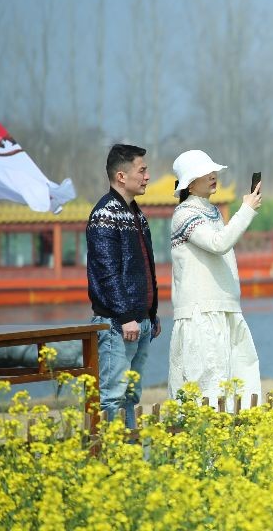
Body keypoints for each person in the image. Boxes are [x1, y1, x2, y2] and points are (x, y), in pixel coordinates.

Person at [167, 150, 263, 409]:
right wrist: (246, 210)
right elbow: (218, 243)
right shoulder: (184, 214)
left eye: (213, 171)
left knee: (241, 382)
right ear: (190, 182)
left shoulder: (212, 211)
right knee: (208, 387)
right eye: (204, 173)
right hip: (202, 312)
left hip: (225, 308)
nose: (213, 176)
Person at [86, 144, 161, 427]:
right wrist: (126, 316)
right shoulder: (105, 214)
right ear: (121, 176)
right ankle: (108, 461)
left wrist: (151, 313)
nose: (147, 176)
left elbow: (144, 266)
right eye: (142, 170)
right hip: (118, 324)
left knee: (131, 395)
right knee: (112, 396)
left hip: (139, 322)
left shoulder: (136, 214)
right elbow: (107, 273)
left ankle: (128, 460)